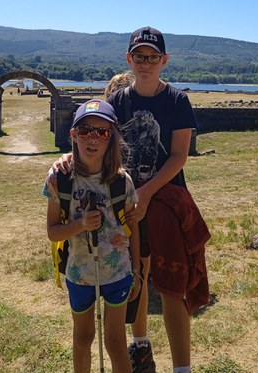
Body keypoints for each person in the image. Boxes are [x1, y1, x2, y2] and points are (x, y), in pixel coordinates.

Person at [54, 27, 210, 373]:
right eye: (139, 56)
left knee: (172, 286)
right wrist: (68, 158)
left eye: (152, 57)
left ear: (163, 61)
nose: (146, 63)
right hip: (122, 200)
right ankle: (140, 344)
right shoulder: (119, 102)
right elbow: (94, 132)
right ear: (129, 59)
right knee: (136, 273)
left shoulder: (177, 101)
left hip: (162, 199)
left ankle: (181, 367)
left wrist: (146, 191)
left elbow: (178, 156)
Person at [43, 99, 141, 373]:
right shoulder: (58, 179)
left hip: (118, 272)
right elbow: (53, 232)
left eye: (102, 132)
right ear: (73, 134)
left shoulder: (122, 181)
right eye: (85, 130)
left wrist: (137, 269)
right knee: (82, 338)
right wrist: (80, 225)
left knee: (115, 342)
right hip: (79, 272)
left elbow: (132, 228)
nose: (93, 138)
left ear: (112, 139)